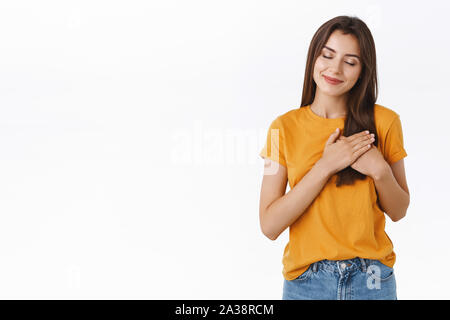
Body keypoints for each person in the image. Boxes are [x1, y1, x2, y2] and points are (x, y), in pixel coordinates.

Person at [258, 15, 410, 300]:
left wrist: (380, 172)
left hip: (373, 279)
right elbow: (269, 225)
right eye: (327, 55)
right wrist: (325, 166)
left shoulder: (386, 122)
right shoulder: (281, 128)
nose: (335, 69)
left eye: (350, 62)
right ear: (313, 57)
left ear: (363, 71)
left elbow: (399, 210)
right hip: (306, 283)